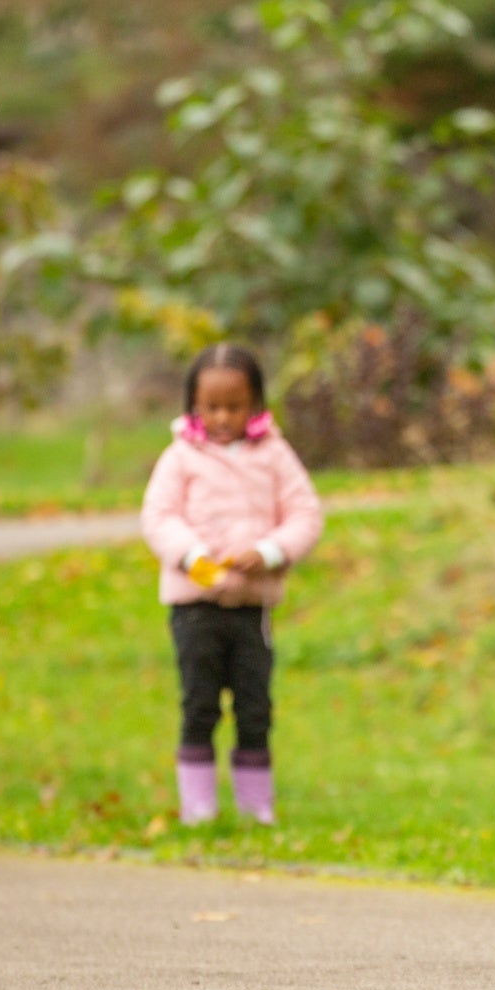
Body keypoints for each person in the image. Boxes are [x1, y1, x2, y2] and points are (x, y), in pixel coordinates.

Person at [140, 344, 325, 828]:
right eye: (212, 407)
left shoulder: (275, 456)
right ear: (194, 405)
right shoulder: (180, 458)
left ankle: (256, 809)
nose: (223, 417)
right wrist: (201, 566)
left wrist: (268, 554)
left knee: (255, 706)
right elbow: (158, 519)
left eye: (234, 406)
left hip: (252, 608)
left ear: (256, 403)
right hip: (195, 607)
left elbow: (305, 515)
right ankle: (199, 810)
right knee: (199, 703)